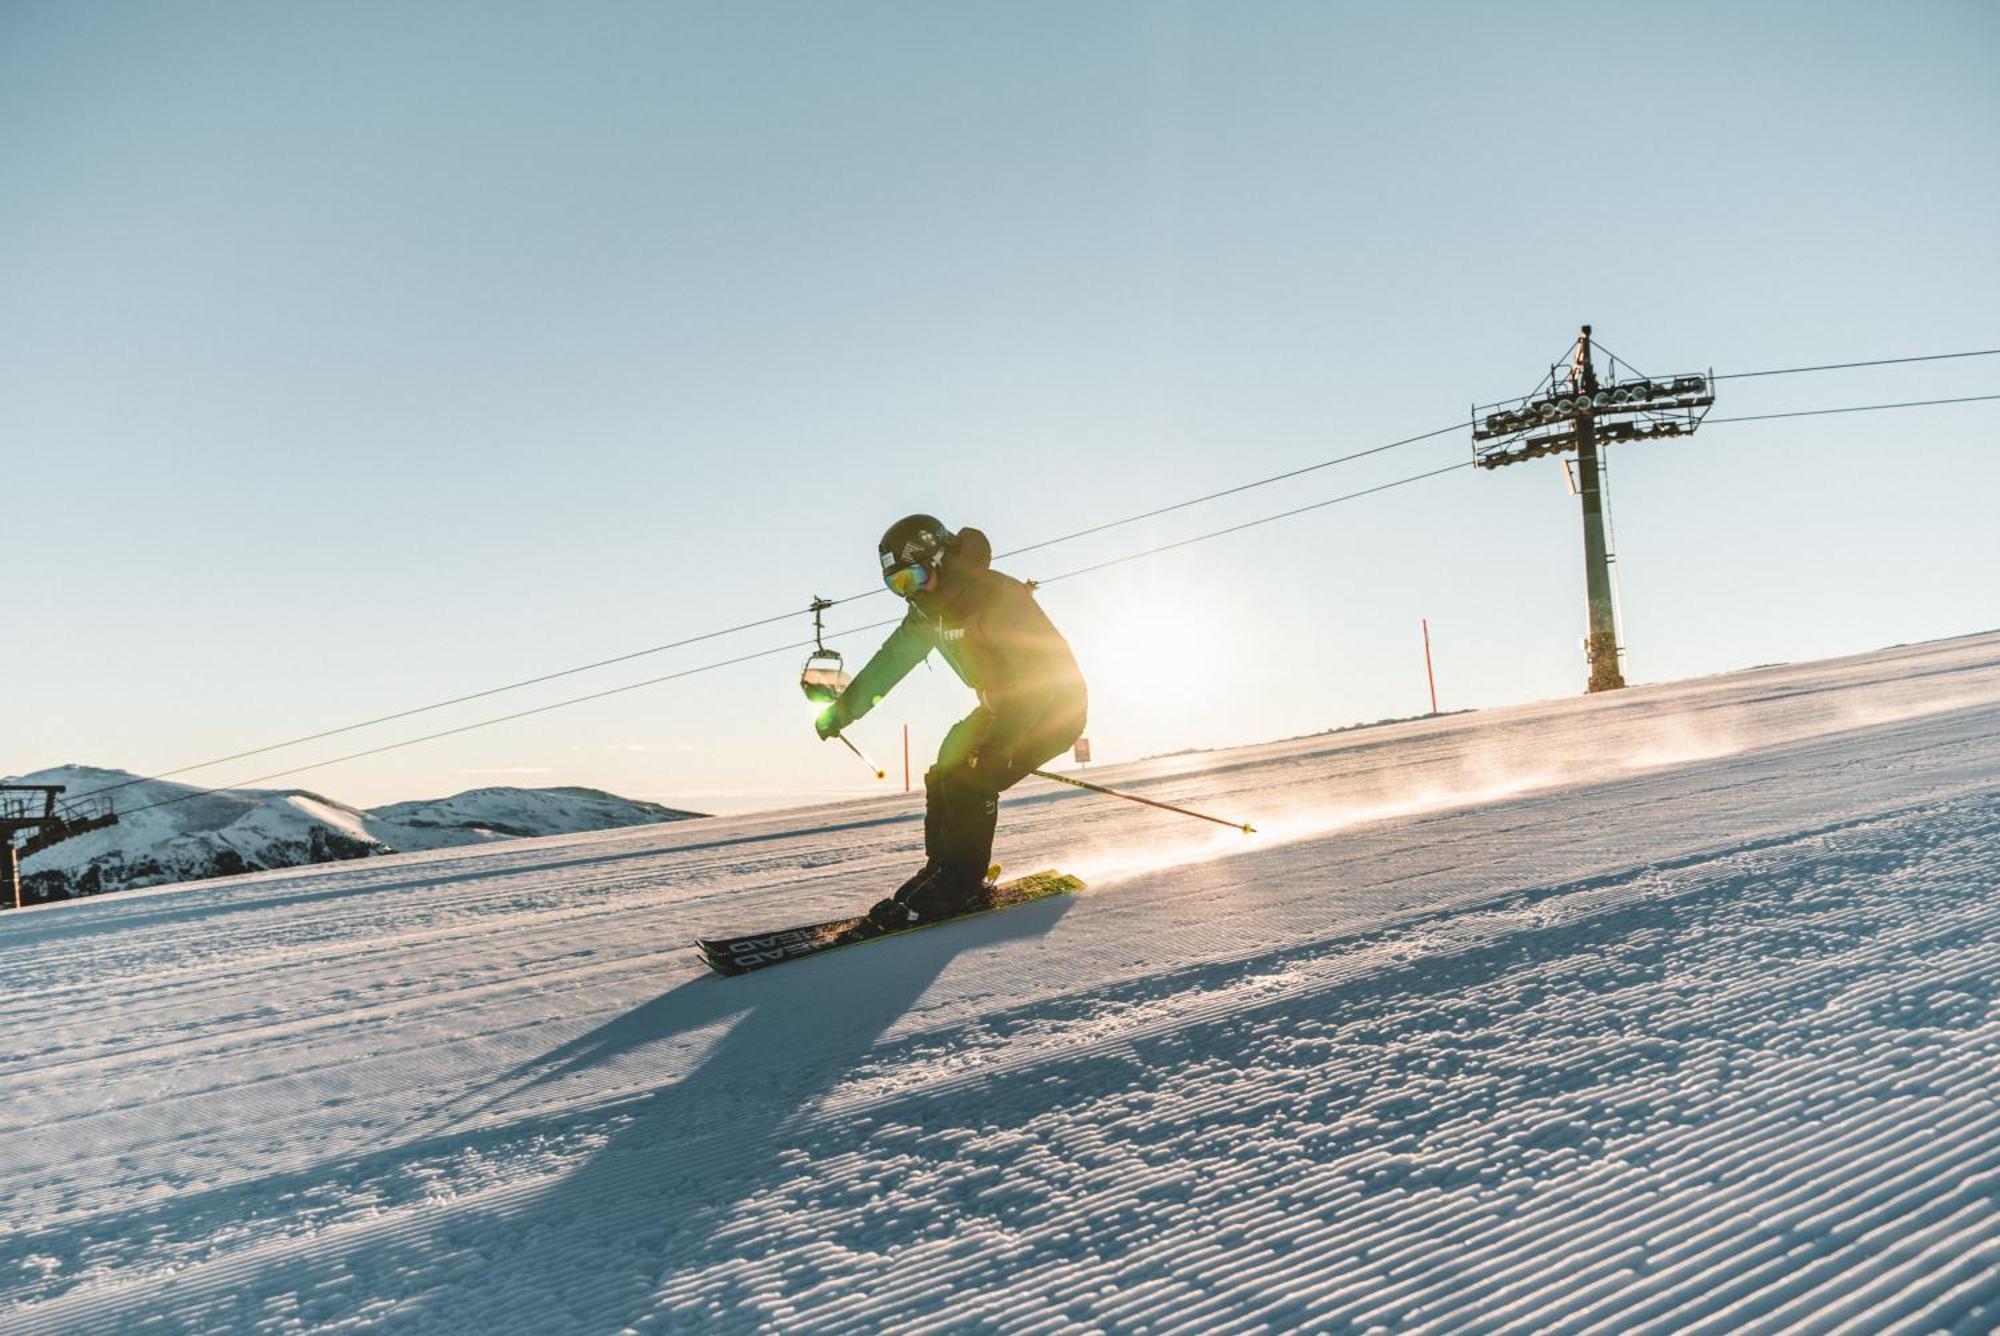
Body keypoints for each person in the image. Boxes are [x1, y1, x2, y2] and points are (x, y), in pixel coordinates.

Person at [816, 514, 1087, 927]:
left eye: (913, 578)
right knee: (945, 767)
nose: (909, 593)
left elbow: (1039, 677)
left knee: (971, 775)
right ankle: (942, 870)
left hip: (1052, 704)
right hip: (1002, 706)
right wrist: (842, 711)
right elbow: (891, 662)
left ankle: (962, 883)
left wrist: (1001, 745)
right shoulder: (930, 612)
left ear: (940, 559)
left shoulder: (995, 597)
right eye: (897, 585)